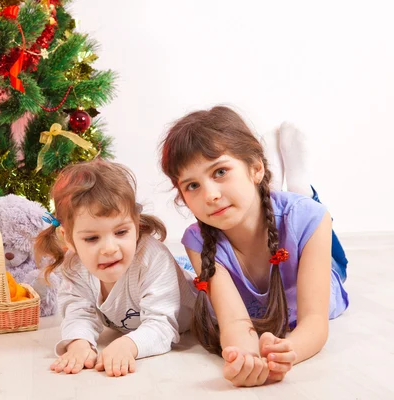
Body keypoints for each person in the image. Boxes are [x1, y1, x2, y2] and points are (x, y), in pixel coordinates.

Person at [159, 106, 349, 386]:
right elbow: (234, 323)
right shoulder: (198, 241)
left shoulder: (310, 219)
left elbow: (314, 322)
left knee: (310, 215)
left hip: (311, 259)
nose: (210, 195)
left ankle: (299, 185)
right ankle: (276, 189)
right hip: (270, 226)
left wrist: (288, 353)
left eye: (220, 171)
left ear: (256, 168)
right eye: (192, 186)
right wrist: (248, 360)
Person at [35, 159, 196, 377]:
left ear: (136, 225)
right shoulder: (74, 267)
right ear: (69, 239)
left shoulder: (152, 258)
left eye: (121, 232)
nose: (110, 249)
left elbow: (163, 325)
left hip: (196, 316)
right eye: (92, 238)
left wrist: (127, 345)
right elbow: (78, 312)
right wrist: (79, 344)